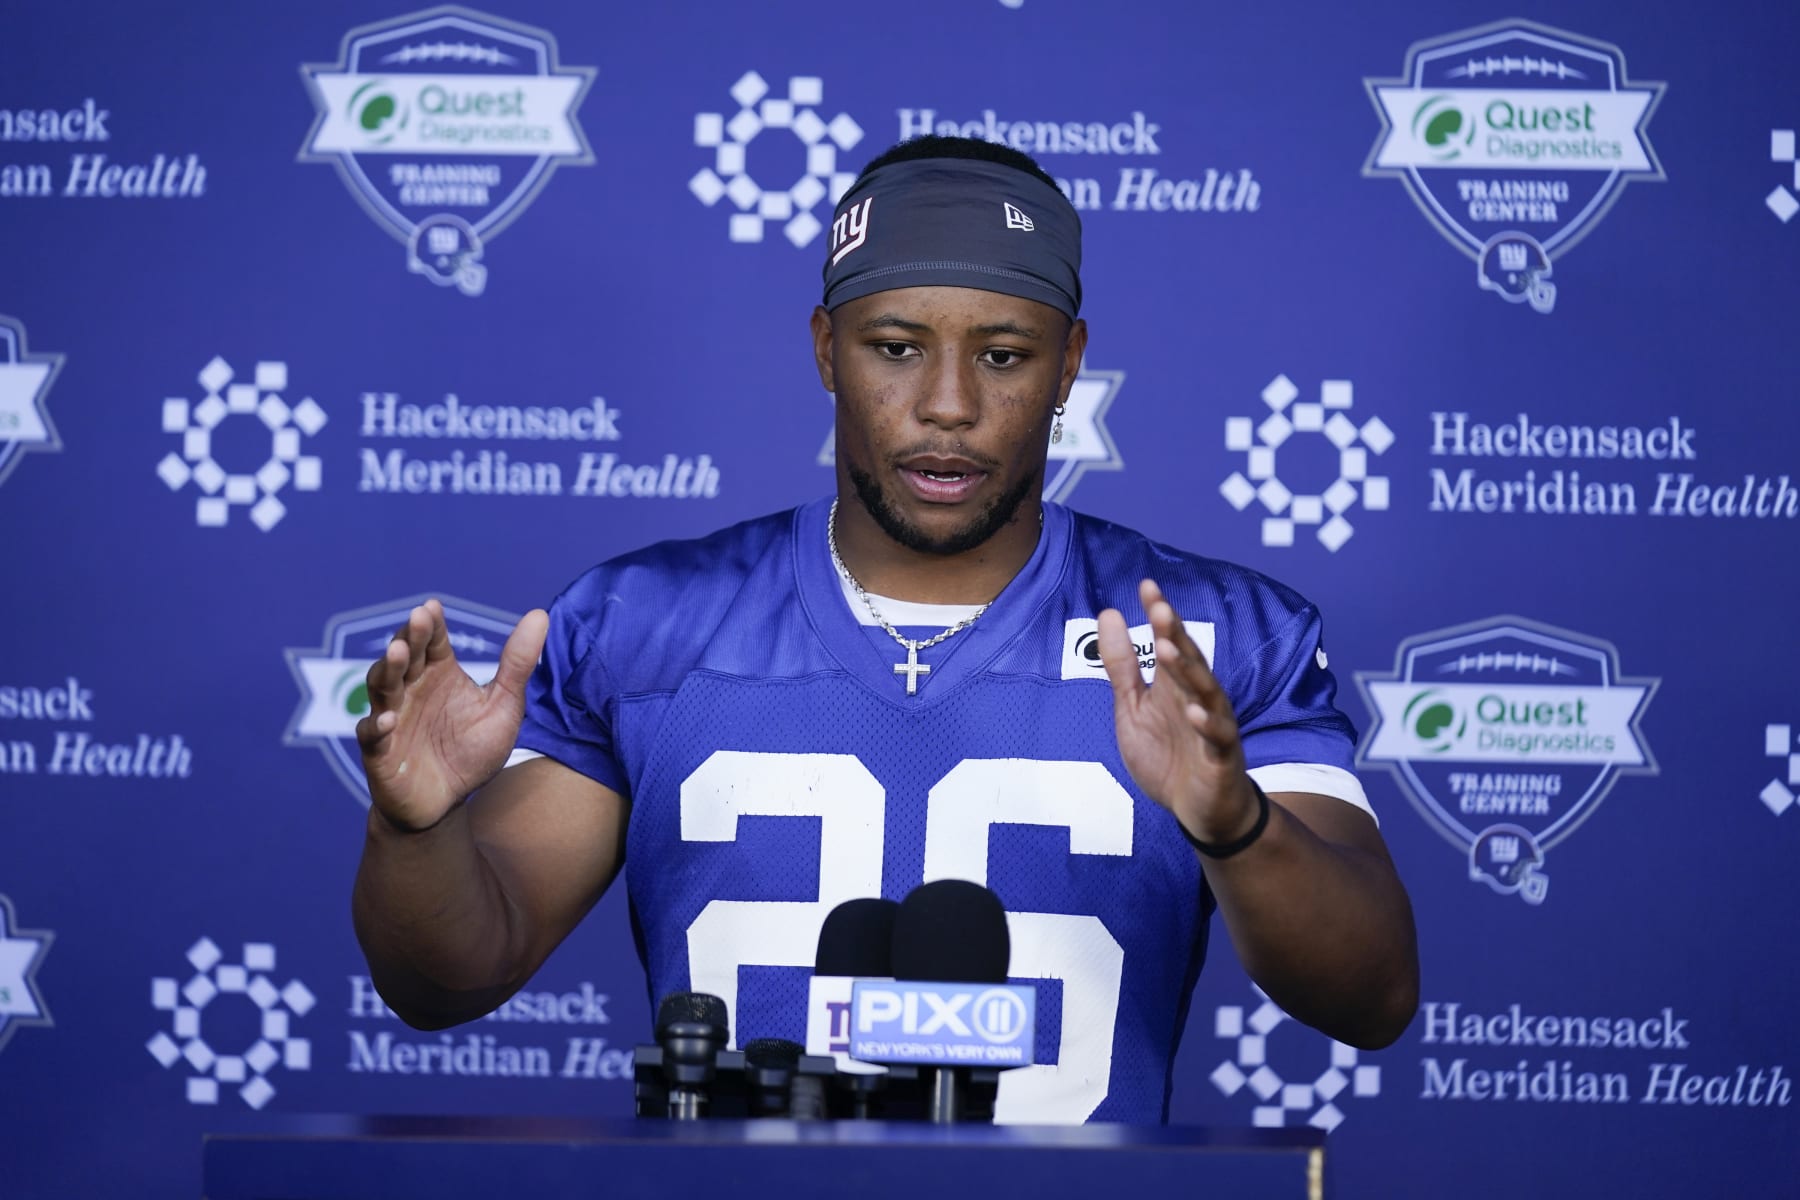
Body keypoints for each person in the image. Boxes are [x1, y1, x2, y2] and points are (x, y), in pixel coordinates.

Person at [351, 135, 1419, 1124]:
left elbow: (1373, 995)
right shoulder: (649, 625)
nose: (946, 404)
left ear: (1070, 363)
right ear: (826, 348)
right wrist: (414, 829)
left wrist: (1236, 826)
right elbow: (449, 977)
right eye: (897, 347)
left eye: (1003, 355)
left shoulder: (1211, 641)